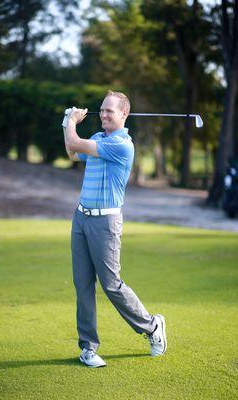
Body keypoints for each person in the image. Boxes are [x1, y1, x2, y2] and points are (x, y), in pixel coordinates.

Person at [62, 90, 167, 368]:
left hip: (105, 223)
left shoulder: (122, 145)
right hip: (81, 217)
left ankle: (151, 326)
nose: (104, 115)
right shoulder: (98, 139)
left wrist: (70, 122)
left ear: (124, 114)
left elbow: (73, 140)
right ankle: (88, 347)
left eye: (110, 111)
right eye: (102, 110)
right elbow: (72, 152)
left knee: (111, 284)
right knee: (82, 285)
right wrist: (67, 125)